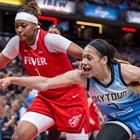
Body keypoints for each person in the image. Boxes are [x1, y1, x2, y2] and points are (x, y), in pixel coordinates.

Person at [1, 39, 140, 140]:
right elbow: (45, 83)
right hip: (119, 120)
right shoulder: (81, 76)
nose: (84, 61)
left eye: (89, 58)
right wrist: (14, 79)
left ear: (104, 60)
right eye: (83, 57)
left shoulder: (125, 72)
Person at [0, 1, 90, 140]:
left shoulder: (50, 39)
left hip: (70, 97)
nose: (19, 30)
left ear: (36, 25)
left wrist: (88, 64)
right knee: (18, 136)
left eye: (24, 26)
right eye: (16, 26)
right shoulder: (16, 42)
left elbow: (84, 55)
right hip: (45, 98)